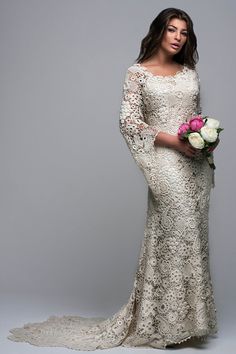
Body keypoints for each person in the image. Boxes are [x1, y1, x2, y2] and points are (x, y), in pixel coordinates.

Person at [7, 7, 219, 350]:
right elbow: (129, 122)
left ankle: (187, 323)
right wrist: (174, 142)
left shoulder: (189, 73)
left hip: (195, 162)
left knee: (191, 234)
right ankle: (161, 324)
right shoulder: (137, 73)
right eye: (172, 30)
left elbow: (194, 117)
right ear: (159, 32)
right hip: (164, 158)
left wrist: (206, 137)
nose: (178, 37)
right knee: (176, 228)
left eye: (184, 31)